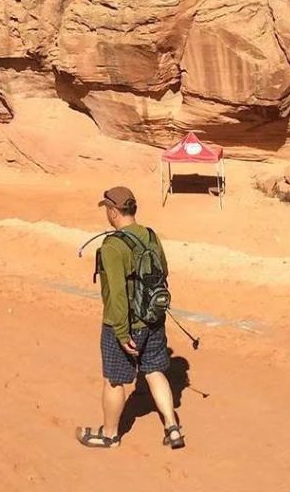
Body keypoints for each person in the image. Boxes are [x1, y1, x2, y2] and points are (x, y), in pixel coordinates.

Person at [77, 186, 185, 451]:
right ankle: (172, 428)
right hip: (154, 317)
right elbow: (164, 272)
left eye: (107, 209)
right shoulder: (150, 236)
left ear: (113, 212)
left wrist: (122, 332)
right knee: (154, 370)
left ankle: (110, 435)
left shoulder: (112, 246)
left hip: (125, 324)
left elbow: (116, 295)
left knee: (114, 379)